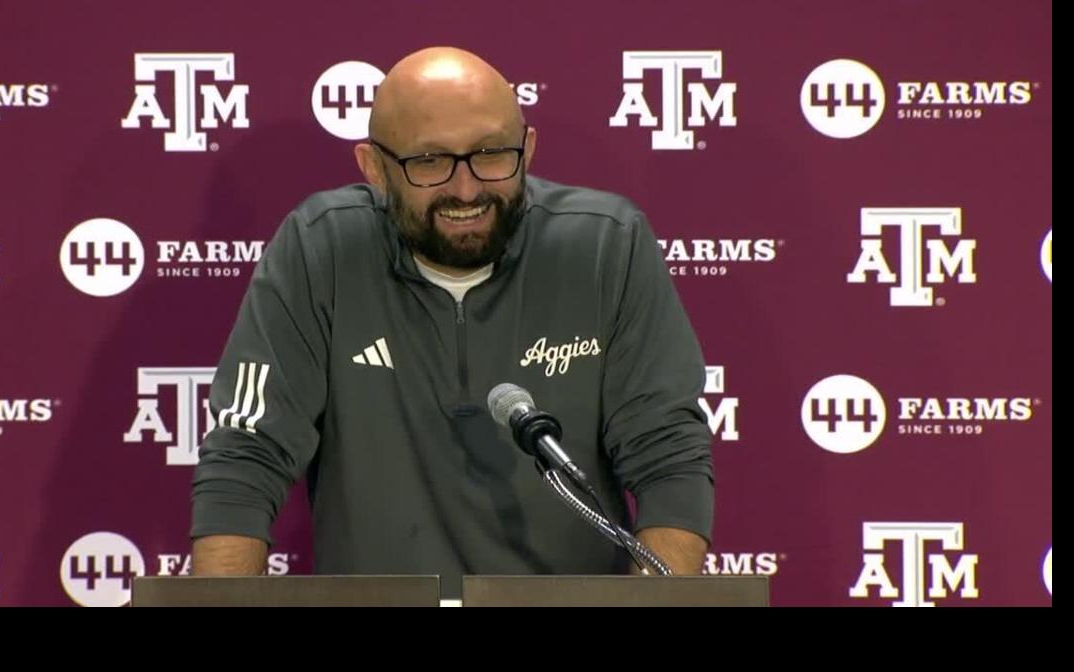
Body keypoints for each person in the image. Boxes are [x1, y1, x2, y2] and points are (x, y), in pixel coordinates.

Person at [190, 46, 713, 597]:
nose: (466, 190)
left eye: (490, 154)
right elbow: (247, 457)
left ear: (528, 150)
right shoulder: (320, 248)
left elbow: (669, 461)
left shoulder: (608, 245)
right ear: (374, 168)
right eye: (430, 162)